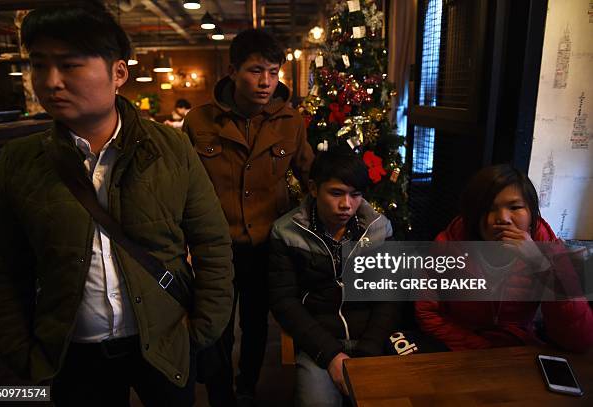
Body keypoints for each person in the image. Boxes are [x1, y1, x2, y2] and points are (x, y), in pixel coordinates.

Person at [0, 4, 234, 406]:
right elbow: (3, 269)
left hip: (166, 341)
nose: (50, 82)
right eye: (39, 65)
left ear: (119, 72)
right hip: (71, 353)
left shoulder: (169, 147)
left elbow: (213, 245)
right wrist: (20, 352)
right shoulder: (21, 160)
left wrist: (200, 333)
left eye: (70, 65)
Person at [183, 28, 315, 405]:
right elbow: (183, 188)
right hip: (215, 245)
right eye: (256, 71)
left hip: (266, 243)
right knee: (217, 326)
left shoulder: (290, 121)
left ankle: (247, 386)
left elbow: (309, 176)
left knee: (257, 324)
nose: (266, 82)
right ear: (233, 70)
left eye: (274, 72)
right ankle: (220, 393)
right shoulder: (200, 121)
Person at [269, 148, 402, 407]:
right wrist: (330, 355)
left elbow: (391, 296)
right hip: (319, 341)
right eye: (336, 193)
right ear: (313, 188)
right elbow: (284, 301)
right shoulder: (286, 233)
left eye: (355, 195)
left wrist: (368, 352)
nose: (346, 205)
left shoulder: (379, 230)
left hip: (372, 340)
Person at [415, 164, 593, 352]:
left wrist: (541, 266)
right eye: (488, 209)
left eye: (515, 207)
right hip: (462, 348)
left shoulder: (547, 246)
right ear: (473, 215)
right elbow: (427, 313)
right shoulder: (448, 246)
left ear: (532, 213)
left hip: (518, 349)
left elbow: (581, 339)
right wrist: (483, 349)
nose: (503, 219)